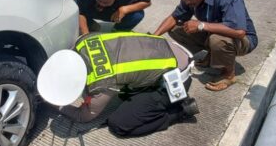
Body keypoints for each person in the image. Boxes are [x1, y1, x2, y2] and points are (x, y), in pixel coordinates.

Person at [37, 32, 199, 137]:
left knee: (120, 124)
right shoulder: (83, 40)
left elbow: (83, 116)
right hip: (166, 47)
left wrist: (54, 104)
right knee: (123, 90)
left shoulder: (100, 85)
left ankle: (180, 111)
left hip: (175, 77)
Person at [153, 0, 257, 91]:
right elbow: (174, 17)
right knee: (175, 29)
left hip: (244, 40)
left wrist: (201, 26)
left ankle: (228, 75)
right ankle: (213, 54)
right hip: (214, 32)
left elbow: (239, 32)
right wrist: (153, 37)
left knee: (216, 39)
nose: (186, 2)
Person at [75, 0, 151, 35]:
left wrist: (124, 9)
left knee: (138, 14)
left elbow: (147, 1)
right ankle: (90, 24)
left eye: (105, 2)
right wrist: (86, 35)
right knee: (74, 6)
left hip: (113, 14)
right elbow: (81, 12)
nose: (101, 4)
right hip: (93, 11)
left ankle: (118, 31)